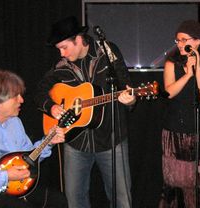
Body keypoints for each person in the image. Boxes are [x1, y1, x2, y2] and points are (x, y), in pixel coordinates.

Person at [34, 16, 135, 208]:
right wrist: (51, 107)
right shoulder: (60, 66)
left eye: (64, 47)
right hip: (76, 142)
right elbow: (39, 92)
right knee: (74, 199)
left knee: (122, 200)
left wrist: (131, 98)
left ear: (79, 40)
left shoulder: (107, 51)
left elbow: (125, 83)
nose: (62, 54)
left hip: (111, 140)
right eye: (59, 50)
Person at [0, 69, 66, 208]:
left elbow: (28, 157)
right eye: (16, 96)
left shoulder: (15, 122)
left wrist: (48, 142)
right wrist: (5, 176)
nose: (22, 100)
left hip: (15, 187)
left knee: (58, 201)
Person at [159, 20, 200, 207]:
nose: (179, 44)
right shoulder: (171, 62)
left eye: (183, 39)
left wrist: (197, 68)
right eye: (177, 40)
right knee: (177, 185)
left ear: (198, 41)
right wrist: (187, 75)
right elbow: (168, 92)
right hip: (175, 130)